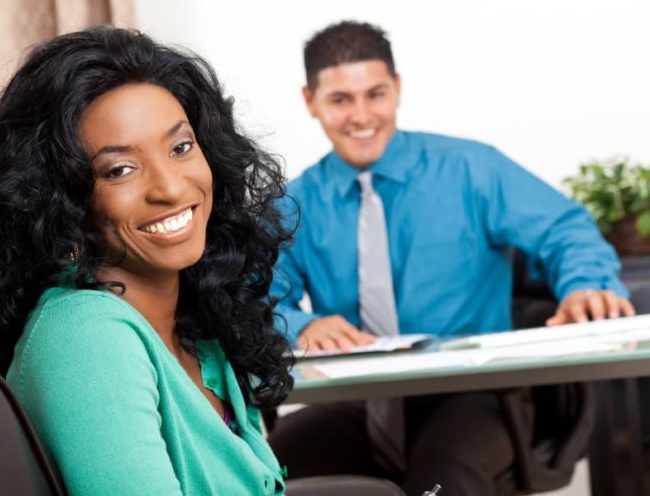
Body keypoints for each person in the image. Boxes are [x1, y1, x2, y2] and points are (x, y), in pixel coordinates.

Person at [267, 20, 635, 496]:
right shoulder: (295, 205)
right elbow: (255, 301)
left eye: (375, 94)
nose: (361, 115)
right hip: (365, 400)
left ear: (397, 89)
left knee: (442, 480)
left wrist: (586, 284)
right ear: (309, 101)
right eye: (340, 99)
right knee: (264, 473)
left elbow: (565, 229)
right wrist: (303, 326)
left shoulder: (471, 168)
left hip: (477, 393)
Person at [0, 26, 294, 495]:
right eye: (119, 169)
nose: (170, 188)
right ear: (61, 200)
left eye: (181, 147)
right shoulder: (86, 337)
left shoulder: (200, 323)